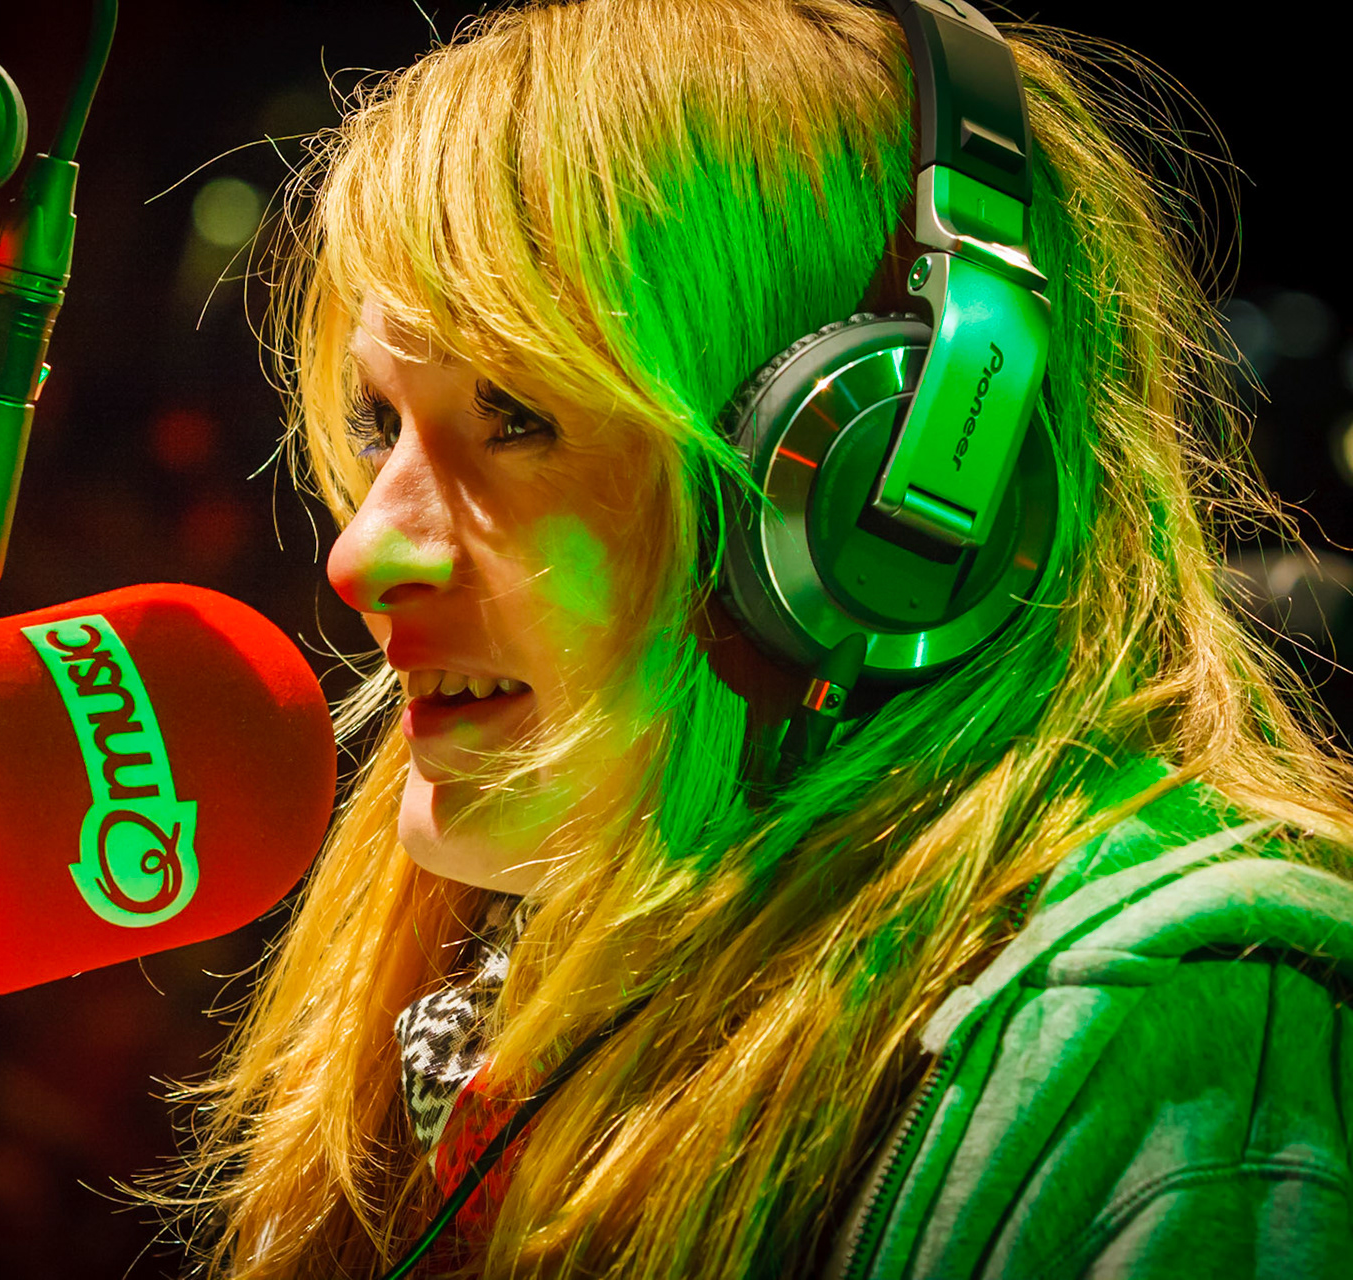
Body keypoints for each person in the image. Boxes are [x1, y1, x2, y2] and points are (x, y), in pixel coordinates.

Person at [146, 1, 1353, 1275]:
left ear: (888, 498)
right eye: (381, 421)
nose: (362, 554)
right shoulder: (494, 980)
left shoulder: (1165, 1060)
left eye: (517, 417)